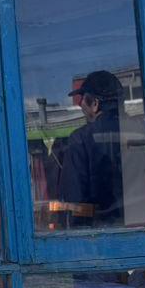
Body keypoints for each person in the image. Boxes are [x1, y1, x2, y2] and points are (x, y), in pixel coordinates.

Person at [58, 70, 126, 228]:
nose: (80, 104)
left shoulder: (81, 139)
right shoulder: (143, 131)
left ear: (95, 104)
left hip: (100, 234)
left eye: (82, 98)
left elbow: (75, 203)